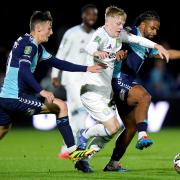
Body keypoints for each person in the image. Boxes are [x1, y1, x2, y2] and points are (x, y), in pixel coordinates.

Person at [78, 10, 180, 172]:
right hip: (117, 80)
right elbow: (118, 39)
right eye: (152, 28)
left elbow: (166, 54)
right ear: (142, 25)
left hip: (123, 83)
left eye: (157, 30)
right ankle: (143, 135)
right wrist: (118, 52)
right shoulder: (129, 31)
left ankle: (103, 162)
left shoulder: (145, 46)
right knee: (144, 96)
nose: (155, 32)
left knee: (128, 127)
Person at [0, 11, 106, 161]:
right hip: (14, 96)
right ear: (38, 29)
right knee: (61, 106)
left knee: (3, 129)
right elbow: (24, 69)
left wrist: (86, 68)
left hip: (5, 96)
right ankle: (72, 150)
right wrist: (41, 91)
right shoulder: (29, 45)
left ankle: (72, 150)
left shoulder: (34, 45)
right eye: (49, 28)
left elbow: (58, 63)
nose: (51, 32)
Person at [51, 4, 98, 155]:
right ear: (83, 16)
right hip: (71, 78)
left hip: (88, 78)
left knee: (79, 112)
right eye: (89, 14)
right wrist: (54, 74)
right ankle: (73, 146)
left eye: (95, 15)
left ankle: (69, 146)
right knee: (79, 108)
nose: (92, 17)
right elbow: (61, 53)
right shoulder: (71, 33)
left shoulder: (97, 35)